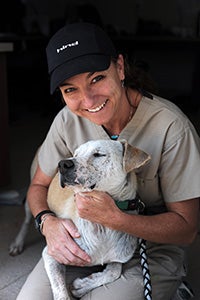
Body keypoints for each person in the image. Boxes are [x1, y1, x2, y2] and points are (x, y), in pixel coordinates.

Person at [17, 22, 200, 300]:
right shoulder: (67, 120)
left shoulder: (171, 127)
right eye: (70, 90)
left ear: (120, 68)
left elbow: (187, 229)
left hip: (147, 247)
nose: (88, 99)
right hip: (83, 240)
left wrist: (118, 219)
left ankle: (175, 280)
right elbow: (38, 187)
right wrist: (47, 223)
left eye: (97, 78)